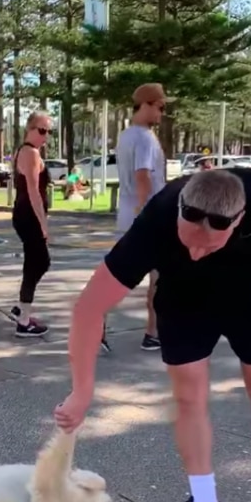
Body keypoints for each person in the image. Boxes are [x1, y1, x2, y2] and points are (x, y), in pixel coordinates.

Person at [55, 167, 251, 502]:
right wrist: (82, 390)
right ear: (180, 214)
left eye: (209, 246)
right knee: (188, 396)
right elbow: (88, 309)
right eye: (189, 243)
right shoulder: (155, 221)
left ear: (239, 219)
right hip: (185, 301)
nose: (197, 252)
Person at [106, 83, 167, 353]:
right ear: (147, 104)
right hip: (147, 219)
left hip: (128, 217)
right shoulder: (144, 138)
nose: (162, 114)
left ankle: (152, 332)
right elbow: (143, 177)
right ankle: (152, 333)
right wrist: (148, 215)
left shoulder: (125, 136)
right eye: (160, 107)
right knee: (158, 279)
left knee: (125, 275)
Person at [9, 113, 52, 337]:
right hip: (29, 216)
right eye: (41, 130)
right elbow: (34, 192)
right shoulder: (31, 153)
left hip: (25, 215)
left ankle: (22, 308)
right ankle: (24, 320)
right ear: (30, 129)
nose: (45, 136)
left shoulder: (24, 151)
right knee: (39, 261)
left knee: (37, 262)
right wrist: (43, 224)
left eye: (48, 131)